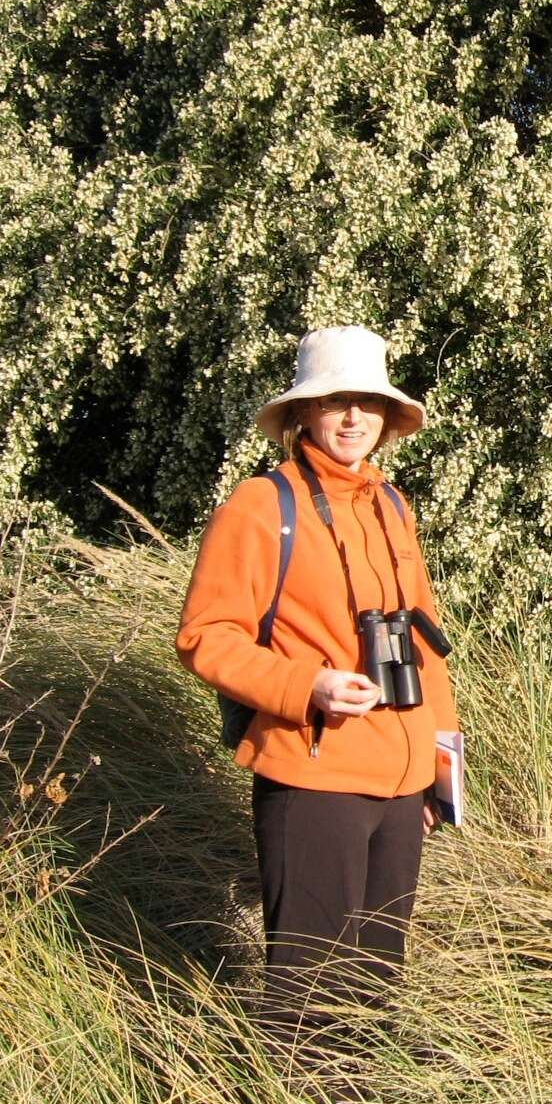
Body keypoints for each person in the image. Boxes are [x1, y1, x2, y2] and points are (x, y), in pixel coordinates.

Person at [176, 325, 458, 1031]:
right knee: (307, 991)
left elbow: (427, 642)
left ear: (388, 418)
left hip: (401, 785)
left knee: (373, 983)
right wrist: (310, 687)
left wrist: (438, 771)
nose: (354, 418)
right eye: (336, 402)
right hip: (313, 778)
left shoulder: (392, 507)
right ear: (304, 414)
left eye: (367, 402)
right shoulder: (262, 506)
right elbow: (205, 638)